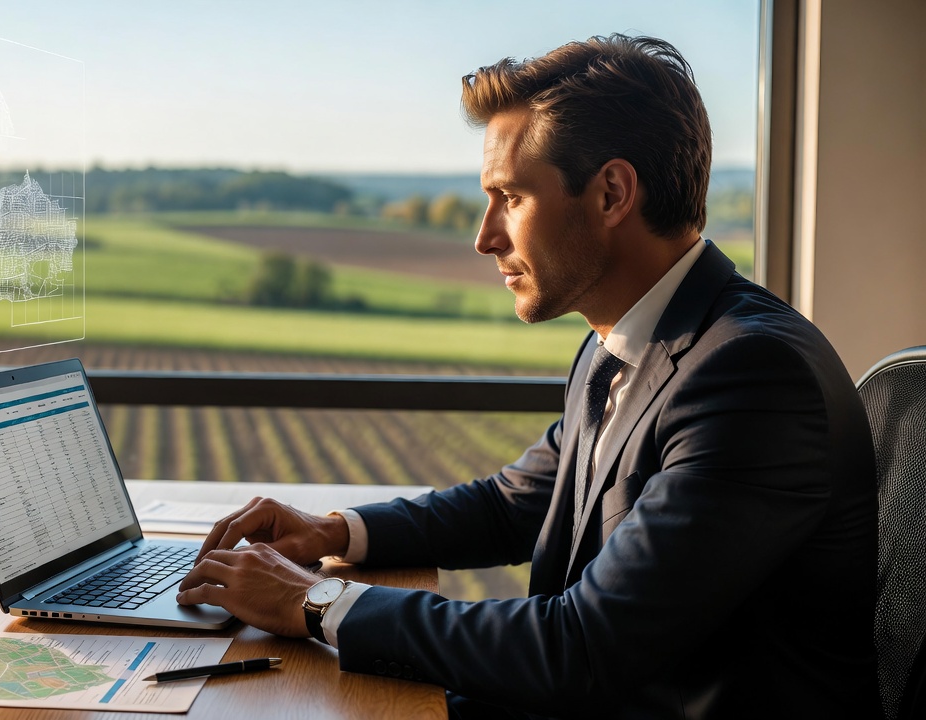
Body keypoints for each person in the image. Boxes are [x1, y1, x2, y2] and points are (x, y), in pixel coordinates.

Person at [177, 34, 878, 719]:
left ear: (610, 193)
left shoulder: (752, 376)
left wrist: (315, 601)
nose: (484, 236)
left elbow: (582, 648)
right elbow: (516, 505)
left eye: (509, 197)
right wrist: (333, 533)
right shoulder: (622, 344)